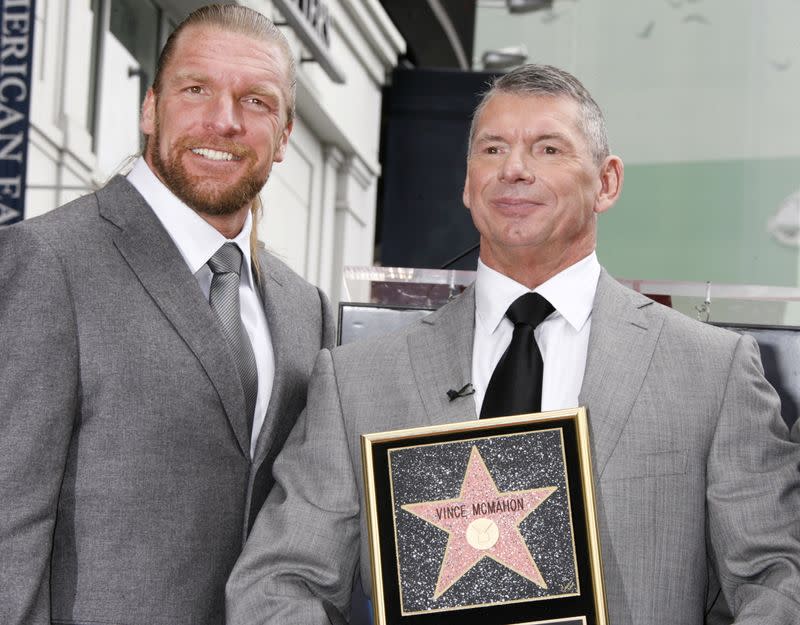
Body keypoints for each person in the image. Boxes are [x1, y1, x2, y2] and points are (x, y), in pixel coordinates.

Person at [226, 64, 800, 624]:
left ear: (607, 182)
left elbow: (778, 577)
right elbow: (280, 582)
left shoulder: (711, 372)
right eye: (493, 149)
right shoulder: (358, 381)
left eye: (549, 149)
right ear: (468, 183)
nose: (515, 170)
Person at [0, 5, 333, 625]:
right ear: (151, 108)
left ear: (285, 136)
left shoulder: (304, 308)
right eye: (196, 89)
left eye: (256, 102)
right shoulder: (49, 260)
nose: (224, 120)